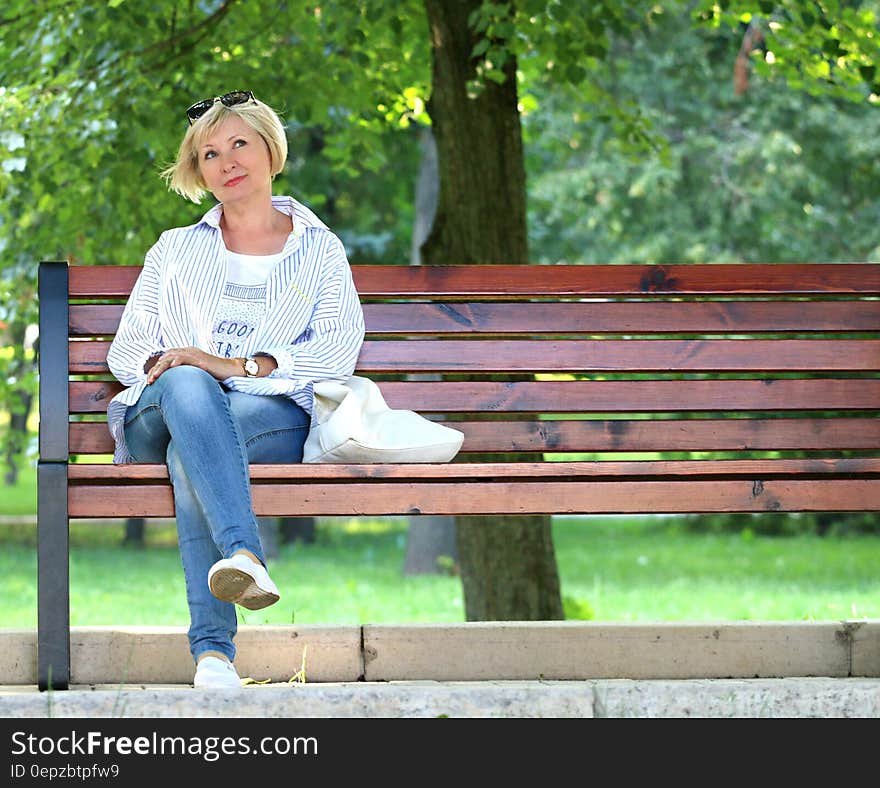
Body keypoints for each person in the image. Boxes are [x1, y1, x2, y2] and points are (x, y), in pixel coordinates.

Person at [106, 91, 365, 688]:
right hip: (158, 413)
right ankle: (244, 555)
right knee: (188, 388)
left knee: (191, 451)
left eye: (239, 144)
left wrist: (236, 366)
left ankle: (214, 656)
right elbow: (127, 351)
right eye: (210, 154)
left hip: (264, 418)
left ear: (271, 150)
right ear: (200, 172)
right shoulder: (174, 250)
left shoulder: (318, 251)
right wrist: (186, 369)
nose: (226, 162)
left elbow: (336, 350)